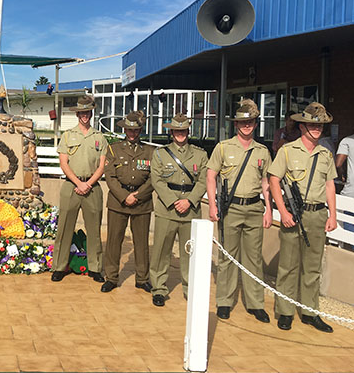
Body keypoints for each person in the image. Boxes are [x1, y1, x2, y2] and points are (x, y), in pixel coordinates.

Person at [268, 102, 338, 333]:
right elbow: (274, 181)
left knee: (312, 266)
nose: (317, 129)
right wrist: (283, 211)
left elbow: (329, 185)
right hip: (294, 214)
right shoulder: (287, 151)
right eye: (312, 125)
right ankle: (286, 312)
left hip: (317, 215)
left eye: (320, 126)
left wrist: (332, 214)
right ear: (302, 126)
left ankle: (310, 312)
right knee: (288, 265)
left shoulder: (325, 154)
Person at [206, 99, 272, 323]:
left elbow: (266, 182)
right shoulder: (223, 147)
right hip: (230, 208)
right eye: (243, 122)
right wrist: (213, 205)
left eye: (251, 122)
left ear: (255, 124)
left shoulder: (262, 151)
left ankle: (255, 304)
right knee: (227, 257)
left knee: (253, 258)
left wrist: (269, 209)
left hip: (254, 208)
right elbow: (211, 176)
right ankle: (224, 301)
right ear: (236, 125)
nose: (247, 126)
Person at [149, 113, 207, 307]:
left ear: (188, 131)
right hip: (168, 209)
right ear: (171, 132)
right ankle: (158, 288)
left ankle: (190, 288)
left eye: (183, 130)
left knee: (190, 252)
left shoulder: (200, 154)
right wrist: (174, 201)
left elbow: (202, 181)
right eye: (177, 131)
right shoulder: (160, 154)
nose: (180, 134)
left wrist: (189, 201)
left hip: (190, 209)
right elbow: (157, 180)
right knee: (161, 250)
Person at [51, 95, 108, 283]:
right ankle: (59, 266)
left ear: (91, 113)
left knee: (94, 229)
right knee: (65, 227)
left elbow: (102, 166)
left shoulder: (99, 137)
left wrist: (88, 184)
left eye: (87, 112)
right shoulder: (68, 135)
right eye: (82, 112)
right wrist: (78, 183)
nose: (85, 115)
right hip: (71, 186)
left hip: (92, 187)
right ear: (77, 114)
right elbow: (64, 163)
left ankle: (95, 267)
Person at [101, 110, 154, 293]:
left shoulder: (150, 151)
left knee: (141, 242)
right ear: (125, 130)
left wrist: (138, 196)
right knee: (114, 241)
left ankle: (142, 278)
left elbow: (153, 178)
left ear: (141, 130)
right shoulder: (114, 149)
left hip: (142, 202)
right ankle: (112, 277)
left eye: (136, 130)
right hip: (118, 202)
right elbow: (110, 176)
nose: (133, 133)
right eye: (130, 130)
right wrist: (125, 196)